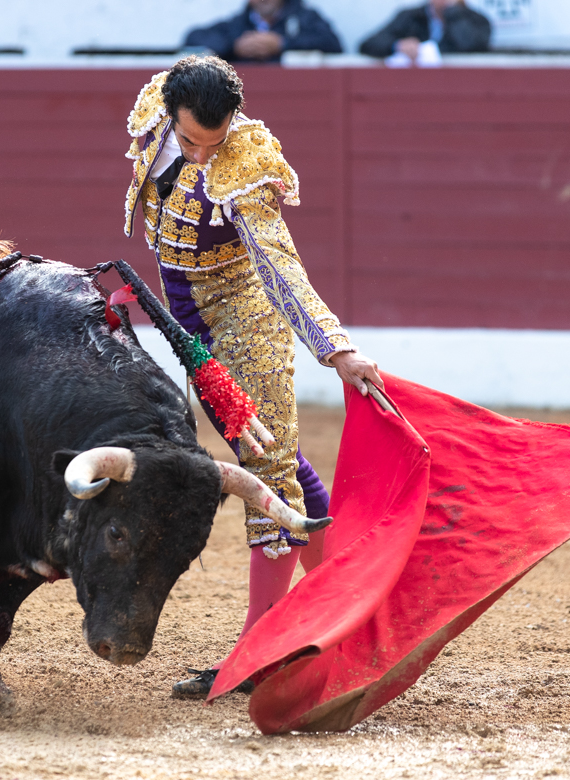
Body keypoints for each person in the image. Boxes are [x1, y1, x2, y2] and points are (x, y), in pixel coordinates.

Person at [121, 55, 382, 697]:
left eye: (213, 143)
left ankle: (257, 649)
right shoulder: (156, 108)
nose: (202, 156)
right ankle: (351, 606)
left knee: (266, 469)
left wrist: (335, 348)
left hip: (245, 319)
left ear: (232, 122)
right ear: (171, 115)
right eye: (189, 142)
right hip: (187, 316)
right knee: (278, 462)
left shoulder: (248, 162)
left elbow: (280, 266)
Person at [182, 0, 342, 62]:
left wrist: (282, 43)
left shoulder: (305, 17)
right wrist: (234, 46)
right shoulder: (237, 24)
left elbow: (332, 43)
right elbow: (193, 37)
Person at [359, 0, 491, 60]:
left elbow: (471, 45)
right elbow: (368, 44)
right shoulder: (411, 17)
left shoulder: (477, 20)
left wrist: (453, 12)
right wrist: (397, 46)